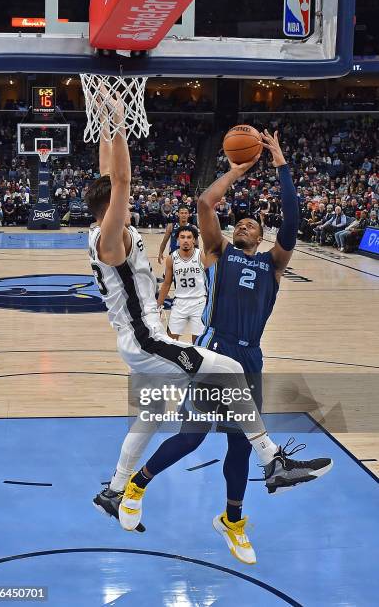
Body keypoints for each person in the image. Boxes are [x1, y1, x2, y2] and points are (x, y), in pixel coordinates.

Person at [116, 131, 333, 563]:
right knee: (193, 435)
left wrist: (282, 165)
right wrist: (235, 171)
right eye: (241, 222)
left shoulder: (273, 263)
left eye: (253, 223)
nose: (245, 224)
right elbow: (203, 205)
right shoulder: (218, 251)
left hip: (251, 356)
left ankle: (232, 521)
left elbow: (292, 222)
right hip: (215, 349)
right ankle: (135, 485)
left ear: (263, 235)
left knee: (238, 445)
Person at [157, 226, 206, 343]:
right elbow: (167, 283)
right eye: (182, 237)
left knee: (198, 342)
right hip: (179, 303)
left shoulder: (202, 256)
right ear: (178, 240)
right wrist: (158, 305)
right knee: (170, 341)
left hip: (199, 302)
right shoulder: (172, 258)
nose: (185, 240)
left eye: (189, 237)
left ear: (194, 240)